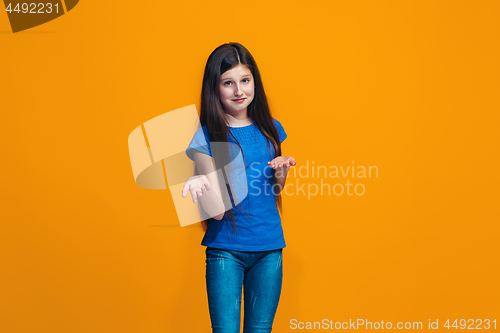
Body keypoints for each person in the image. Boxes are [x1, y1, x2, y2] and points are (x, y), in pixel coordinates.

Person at [182, 42, 296, 333]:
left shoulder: (272, 129)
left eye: (245, 80)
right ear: (215, 88)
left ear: (254, 81)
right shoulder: (206, 138)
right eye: (228, 83)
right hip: (225, 250)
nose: (239, 91)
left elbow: (276, 190)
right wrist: (202, 183)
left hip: (269, 247)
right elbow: (217, 214)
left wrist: (281, 171)